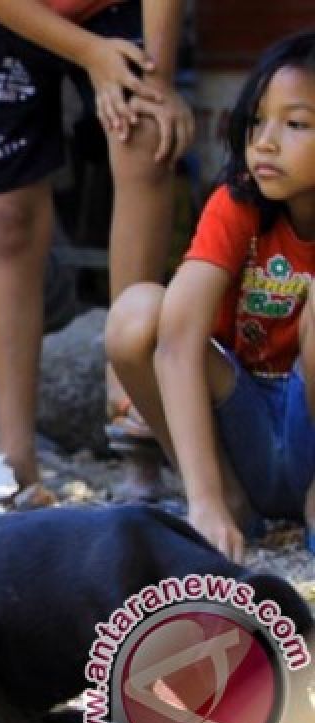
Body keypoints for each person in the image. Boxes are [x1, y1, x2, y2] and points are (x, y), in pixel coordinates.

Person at [0, 0, 194, 502]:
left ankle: (133, 413)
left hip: (116, 10)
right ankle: (15, 458)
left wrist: (158, 85)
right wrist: (90, 53)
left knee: (147, 137)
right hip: (5, 14)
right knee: (9, 220)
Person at [106, 30, 315, 561]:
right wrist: (203, 501)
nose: (264, 141)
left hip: (307, 425)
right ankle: (227, 498)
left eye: (295, 124)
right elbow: (175, 339)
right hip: (239, 413)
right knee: (136, 315)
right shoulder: (238, 202)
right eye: (256, 120)